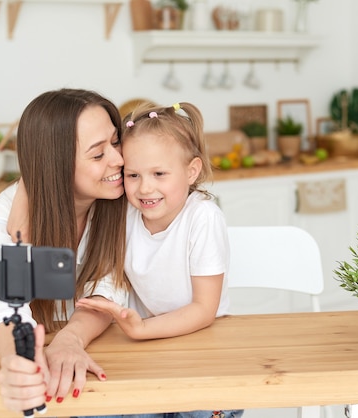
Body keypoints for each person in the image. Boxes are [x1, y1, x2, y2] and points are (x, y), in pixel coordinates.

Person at [75, 102, 242, 418]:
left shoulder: (203, 217)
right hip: (152, 349)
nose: (144, 187)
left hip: (204, 344)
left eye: (159, 174)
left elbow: (204, 310)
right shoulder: (124, 215)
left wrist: (140, 329)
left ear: (191, 171)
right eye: (133, 174)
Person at [0, 88, 129, 413]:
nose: (118, 159)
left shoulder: (123, 201)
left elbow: (109, 288)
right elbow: (3, 311)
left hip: (92, 344)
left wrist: (70, 339)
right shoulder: (3, 218)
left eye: (115, 142)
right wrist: (18, 366)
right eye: (98, 154)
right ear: (56, 165)